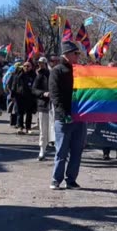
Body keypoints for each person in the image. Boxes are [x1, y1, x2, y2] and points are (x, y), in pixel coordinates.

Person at [49, 41, 87, 190]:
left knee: (77, 152)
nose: (77, 56)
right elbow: (54, 94)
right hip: (64, 119)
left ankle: (71, 180)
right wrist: (63, 113)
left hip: (79, 117)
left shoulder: (81, 71)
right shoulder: (57, 71)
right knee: (61, 151)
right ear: (66, 55)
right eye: (75, 53)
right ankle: (56, 179)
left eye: (78, 53)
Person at [32, 57, 54, 161]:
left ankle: (58, 149)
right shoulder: (39, 76)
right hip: (43, 105)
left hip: (54, 105)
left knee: (54, 128)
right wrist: (43, 93)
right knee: (43, 129)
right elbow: (34, 90)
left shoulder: (53, 74)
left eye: (42, 63)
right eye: (39, 63)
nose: (40, 65)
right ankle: (42, 150)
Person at [12, 61, 37, 134]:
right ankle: (20, 127)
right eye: (25, 66)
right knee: (20, 113)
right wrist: (13, 95)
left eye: (28, 66)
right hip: (19, 96)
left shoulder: (33, 75)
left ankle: (28, 128)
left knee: (29, 113)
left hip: (30, 96)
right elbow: (14, 85)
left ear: (31, 67)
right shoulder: (18, 74)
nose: (26, 67)